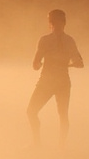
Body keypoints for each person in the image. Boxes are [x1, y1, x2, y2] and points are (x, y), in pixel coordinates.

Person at [27, 9, 84, 147]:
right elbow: (80, 63)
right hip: (63, 81)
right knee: (63, 115)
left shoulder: (45, 40)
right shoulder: (69, 40)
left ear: (50, 23)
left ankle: (37, 144)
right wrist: (67, 64)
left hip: (47, 81)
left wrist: (40, 64)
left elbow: (35, 64)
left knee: (31, 111)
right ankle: (61, 147)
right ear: (64, 23)